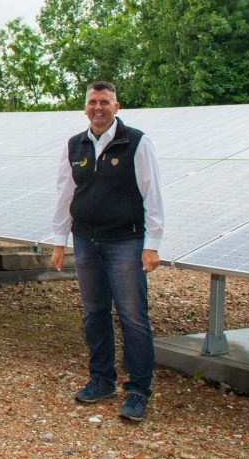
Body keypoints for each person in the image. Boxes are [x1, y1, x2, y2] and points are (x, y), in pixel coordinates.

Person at [51, 81, 166, 422]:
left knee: (132, 315)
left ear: (116, 107)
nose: (98, 107)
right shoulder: (76, 145)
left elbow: (152, 194)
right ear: (85, 108)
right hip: (86, 240)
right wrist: (60, 241)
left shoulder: (136, 142)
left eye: (104, 102)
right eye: (92, 102)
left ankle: (138, 390)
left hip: (125, 242)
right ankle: (102, 378)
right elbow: (65, 193)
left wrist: (152, 245)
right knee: (93, 312)